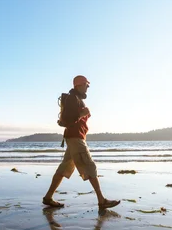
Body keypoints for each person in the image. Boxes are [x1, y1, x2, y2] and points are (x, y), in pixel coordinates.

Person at [42, 75, 120, 209]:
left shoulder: (75, 98)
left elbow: (67, 120)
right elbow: (67, 120)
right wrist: (82, 114)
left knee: (64, 167)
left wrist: (82, 114)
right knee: (90, 166)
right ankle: (101, 200)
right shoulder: (73, 98)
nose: (88, 87)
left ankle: (48, 197)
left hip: (74, 137)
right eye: (86, 85)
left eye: (88, 85)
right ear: (78, 85)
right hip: (75, 137)